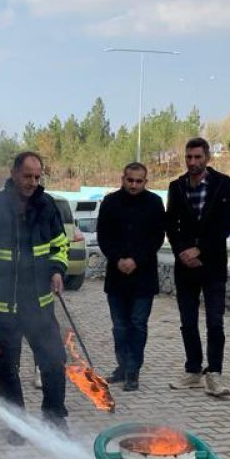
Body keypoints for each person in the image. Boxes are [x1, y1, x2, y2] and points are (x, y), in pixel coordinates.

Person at [0, 152, 70, 442]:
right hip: (1, 310)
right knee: (6, 368)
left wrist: (57, 270)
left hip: (39, 305)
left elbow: (60, 245)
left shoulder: (47, 205)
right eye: (27, 176)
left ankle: (54, 418)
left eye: (38, 177)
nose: (33, 183)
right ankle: (17, 424)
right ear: (13, 174)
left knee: (53, 362)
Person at [165, 137, 230, 397]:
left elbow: (224, 225)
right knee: (187, 321)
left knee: (215, 321)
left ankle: (214, 373)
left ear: (207, 157)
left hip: (213, 264)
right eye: (188, 157)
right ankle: (193, 370)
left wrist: (200, 249)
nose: (193, 162)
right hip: (185, 267)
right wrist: (182, 251)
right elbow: (171, 224)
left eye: (197, 157)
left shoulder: (223, 184)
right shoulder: (177, 186)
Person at [96, 162, 166, 392]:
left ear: (146, 182)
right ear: (123, 179)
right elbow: (103, 236)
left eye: (139, 181)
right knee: (119, 327)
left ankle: (133, 370)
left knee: (137, 325)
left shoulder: (154, 203)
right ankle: (122, 367)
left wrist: (135, 259)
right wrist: (118, 259)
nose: (134, 185)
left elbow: (156, 238)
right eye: (130, 180)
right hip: (116, 277)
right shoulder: (110, 202)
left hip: (143, 276)